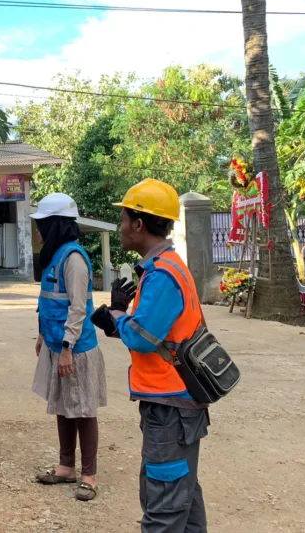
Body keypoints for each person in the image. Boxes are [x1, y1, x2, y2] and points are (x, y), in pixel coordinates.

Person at [91, 179, 209, 533]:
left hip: (171, 407)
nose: (122, 226)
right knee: (182, 500)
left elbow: (143, 338)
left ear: (139, 224)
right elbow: (156, 335)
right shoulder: (164, 268)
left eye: (124, 218)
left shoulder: (163, 275)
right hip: (178, 403)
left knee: (164, 507)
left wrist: (116, 316)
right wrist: (119, 316)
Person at [30, 193, 116, 502]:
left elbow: (78, 309)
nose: (38, 230)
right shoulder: (55, 257)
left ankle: (89, 475)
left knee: (82, 410)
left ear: (55, 225)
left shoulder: (74, 260)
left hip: (75, 349)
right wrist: (42, 335)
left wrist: (67, 347)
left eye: (42, 224)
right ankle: (66, 466)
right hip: (56, 345)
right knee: (63, 408)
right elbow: (48, 302)